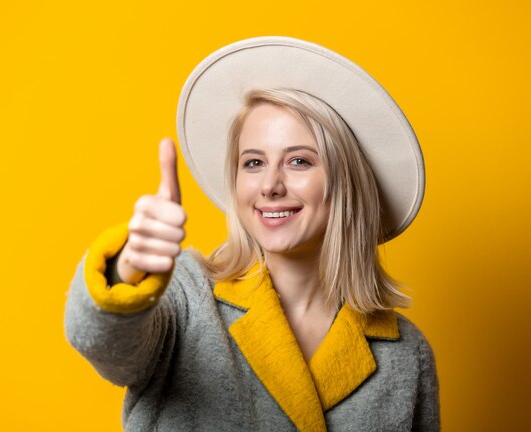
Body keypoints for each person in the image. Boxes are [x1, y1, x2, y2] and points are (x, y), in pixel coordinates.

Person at [65, 37, 440, 432]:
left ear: (346, 182)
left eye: (298, 161)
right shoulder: (186, 298)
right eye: (254, 162)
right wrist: (128, 269)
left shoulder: (405, 354)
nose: (269, 186)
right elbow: (102, 343)